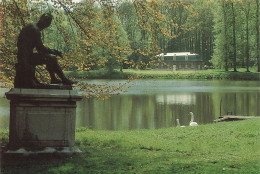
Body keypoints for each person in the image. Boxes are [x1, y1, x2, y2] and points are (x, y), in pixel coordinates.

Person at [15, 13, 74, 88]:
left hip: (25, 56)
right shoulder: (35, 30)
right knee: (52, 58)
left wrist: (51, 51)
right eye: (47, 22)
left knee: (50, 58)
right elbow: (40, 48)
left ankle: (54, 78)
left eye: (49, 23)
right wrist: (54, 51)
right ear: (42, 20)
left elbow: (39, 49)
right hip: (25, 58)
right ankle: (62, 79)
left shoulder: (32, 26)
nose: (47, 25)